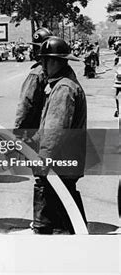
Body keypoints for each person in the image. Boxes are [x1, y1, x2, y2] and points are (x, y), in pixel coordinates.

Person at [32, 36, 87, 234]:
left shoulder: (63, 89)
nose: (43, 66)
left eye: (46, 61)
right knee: (67, 215)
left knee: (53, 226)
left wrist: (42, 160)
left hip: (60, 164)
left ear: (57, 61)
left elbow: (54, 131)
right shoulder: (62, 84)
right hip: (64, 163)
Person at [14, 28, 53, 141]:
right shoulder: (55, 68)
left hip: (35, 129)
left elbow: (25, 104)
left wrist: (18, 132)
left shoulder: (37, 73)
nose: (35, 51)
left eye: (37, 48)